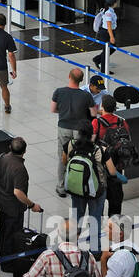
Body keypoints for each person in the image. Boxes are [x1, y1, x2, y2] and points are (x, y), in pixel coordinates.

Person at [61, 120, 117, 254]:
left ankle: (73, 247)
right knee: (95, 218)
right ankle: (95, 250)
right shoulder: (100, 150)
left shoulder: (70, 145)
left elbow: (64, 161)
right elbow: (112, 171)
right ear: (92, 134)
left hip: (76, 188)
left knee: (77, 216)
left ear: (79, 133)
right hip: (96, 191)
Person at [51, 67, 98, 197]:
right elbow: (93, 113)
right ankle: (77, 183)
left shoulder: (58, 92)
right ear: (82, 80)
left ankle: (61, 187)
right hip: (80, 131)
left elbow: (53, 109)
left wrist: (65, 112)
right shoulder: (86, 95)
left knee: (62, 157)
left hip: (63, 127)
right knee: (79, 156)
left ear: (69, 76)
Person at [0, 136, 42, 264]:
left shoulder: (2, 158)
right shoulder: (20, 169)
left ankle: (2, 253)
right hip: (14, 207)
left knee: (4, 229)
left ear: (10, 147)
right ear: (24, 151)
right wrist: (32, 205)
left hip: (2, 200)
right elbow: (18, 192)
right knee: (13, 234)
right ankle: (8, 262)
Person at [93, 93, 132, 216]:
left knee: (97, 204)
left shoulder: (97, 123)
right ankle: (114, 229)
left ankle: (97, 226)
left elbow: (91, 144)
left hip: (101, 170)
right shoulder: (122, 122)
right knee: (115, 205)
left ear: (102, 107)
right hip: (117, 170)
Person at [92, 0, 118, 72]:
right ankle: (103, 69)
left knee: (111, 48)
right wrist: (111, 37)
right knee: (107, 50)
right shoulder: (108, 12)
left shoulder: (108, 10)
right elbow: (109, 26)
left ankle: (97, 59)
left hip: (107, 32)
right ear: (113, 3)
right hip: (106, 32)